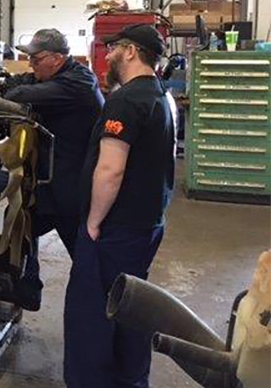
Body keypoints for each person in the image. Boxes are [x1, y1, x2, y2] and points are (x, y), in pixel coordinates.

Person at [64, 24, 176, 388]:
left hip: (116, 228)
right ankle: (131, 380)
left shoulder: (126, 101)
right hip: (147, 222)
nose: (107, 55)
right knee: (131, 308)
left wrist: (94, 222)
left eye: (112, 49)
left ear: (130, 52)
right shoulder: (161, 95)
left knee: (92, 316)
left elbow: (111, 170)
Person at [1, 28, 104, 310]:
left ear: (57, 59)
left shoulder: (77, 84)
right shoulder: (59, 75)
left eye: (37, 59)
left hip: (74, 187)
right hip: (51, 181)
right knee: (21, 228)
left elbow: (21, 93)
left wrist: (12, 87)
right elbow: (23, 82)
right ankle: (26, 291)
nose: (31, 65)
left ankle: (101, 312)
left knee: (85, 256)